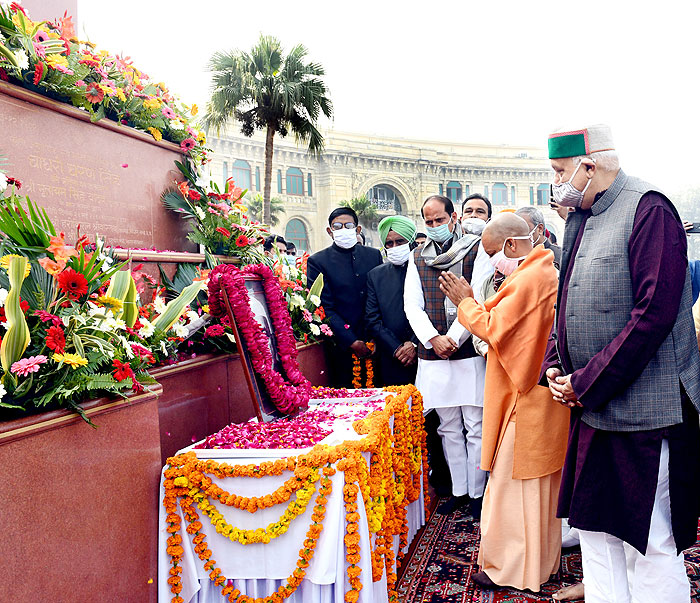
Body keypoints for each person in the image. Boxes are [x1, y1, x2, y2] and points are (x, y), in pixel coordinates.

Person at [542, 124, 700, 603]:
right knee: (597, 535)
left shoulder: (650, 210)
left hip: (646, 413)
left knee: (649, 543)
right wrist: (556, 362)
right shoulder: (581, 217)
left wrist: (585, 382)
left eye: (560, 171)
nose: (556, 182)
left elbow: (651, 315)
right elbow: (564, 302)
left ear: (589, 167)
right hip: (593, 409)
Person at [439, 213, 569, 592]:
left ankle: (510, 570)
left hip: (526, 397)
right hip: (539, 395)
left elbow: (495, 329)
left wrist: (465, 303)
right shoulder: (538, 270)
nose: (494, 261)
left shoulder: (531, 276)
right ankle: (539, 565)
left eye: (493, 253)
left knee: (515, 487)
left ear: (512, 245)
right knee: (536, 486)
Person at [404, 194, 493, 515]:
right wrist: (432, 339)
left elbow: (480, 297)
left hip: (467, 351)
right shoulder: (418, 256)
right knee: (448, 427)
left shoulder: (476, 248)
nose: (434, 227)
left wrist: (453, 338)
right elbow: (412, 305)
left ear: (453, 218)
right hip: (434, 356)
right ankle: (458, 491)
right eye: (428, 222)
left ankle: (478, 495)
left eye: (440, 220)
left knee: (476, 426)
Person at [306, 207, 382, 388]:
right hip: (341, 344)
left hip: (376, 342)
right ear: (329, 231)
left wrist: (376, 336)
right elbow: (323, 307)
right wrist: (351, 341)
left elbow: (380, 298)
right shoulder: (318, 261)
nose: (343, 230)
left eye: (348, 226)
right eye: (337, 226)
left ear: (357, 230)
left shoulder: (373, 256)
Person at [365, 215, 419, 386]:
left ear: (411, 242)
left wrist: (414, 344)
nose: (394, 247)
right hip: (392, 356)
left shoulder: (427, 270)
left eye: (400, 242)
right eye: (389, 243)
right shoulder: (376, 275)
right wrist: (397, 348)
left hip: (425, 355)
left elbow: (434, 312)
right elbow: (372, 319)